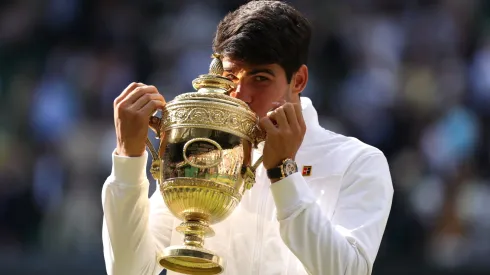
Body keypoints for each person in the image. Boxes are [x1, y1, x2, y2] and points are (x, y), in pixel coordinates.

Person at [102, 1, 394, 274]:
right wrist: (128, 159)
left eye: (260, 78)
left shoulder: (357, 162)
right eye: (231, 79)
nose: (241, 96)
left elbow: (348, 270)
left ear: (299, 80)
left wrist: (284, 174)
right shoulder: (199, 153)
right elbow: (129, 269)